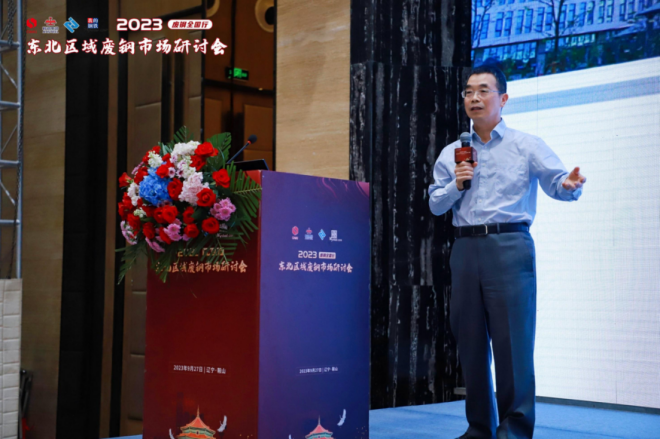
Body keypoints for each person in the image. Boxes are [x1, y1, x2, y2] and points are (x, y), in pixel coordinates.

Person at [428, 65, 586, 439]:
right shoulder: (452, 153)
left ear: (503, 99)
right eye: (469, 92)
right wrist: (456, 184)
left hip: (510, 246)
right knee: (470, 342)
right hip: (465, 248)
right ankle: (479, 429)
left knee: (513, 343)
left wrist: (569, 184)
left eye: (483, 91)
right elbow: (435, 204)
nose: (474, 98)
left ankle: (514, 431)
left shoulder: (526, 145)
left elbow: (558, 183)